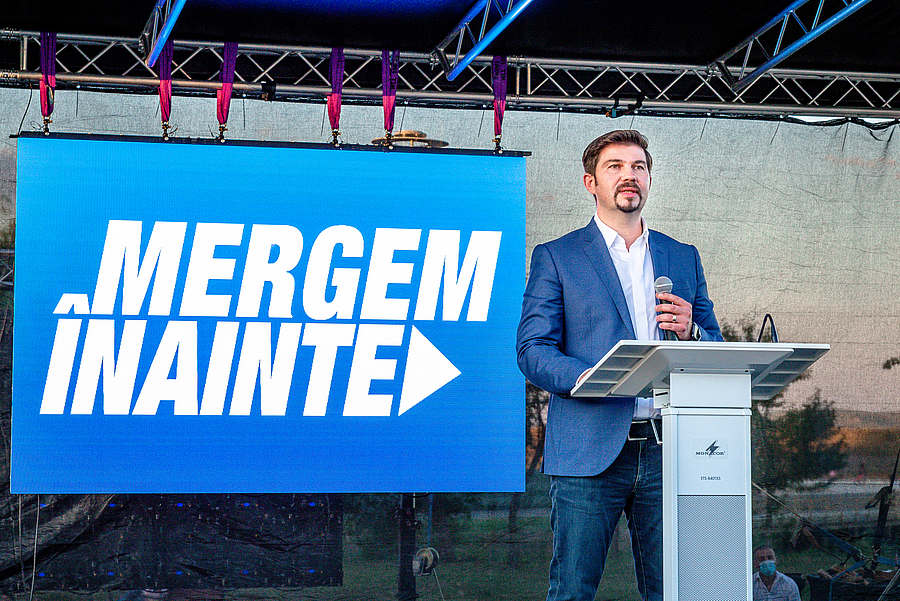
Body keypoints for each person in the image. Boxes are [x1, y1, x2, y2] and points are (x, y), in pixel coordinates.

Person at [516, 129, 723, 601]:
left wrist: (692, 331)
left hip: (670, 450)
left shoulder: (682, 257)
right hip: (588, 450)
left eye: (638, 167)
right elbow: (532, 348)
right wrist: (590, 379)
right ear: (590, 182)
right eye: (615, 167)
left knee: (674, 589)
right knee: (573, 590)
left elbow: (716, 346)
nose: (629, 175)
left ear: (648, 180)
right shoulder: (558, 256)